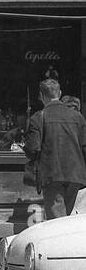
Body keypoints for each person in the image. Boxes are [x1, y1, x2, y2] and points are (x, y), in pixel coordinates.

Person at [25, 78, 86, 221]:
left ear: (41, 96)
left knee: (56, 221)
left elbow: (32, 149)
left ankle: (59, 243)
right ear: (60, 93)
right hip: (75, 175)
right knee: (65, 217)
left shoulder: (38, 117)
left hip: (52, 173)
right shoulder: (78, 117)